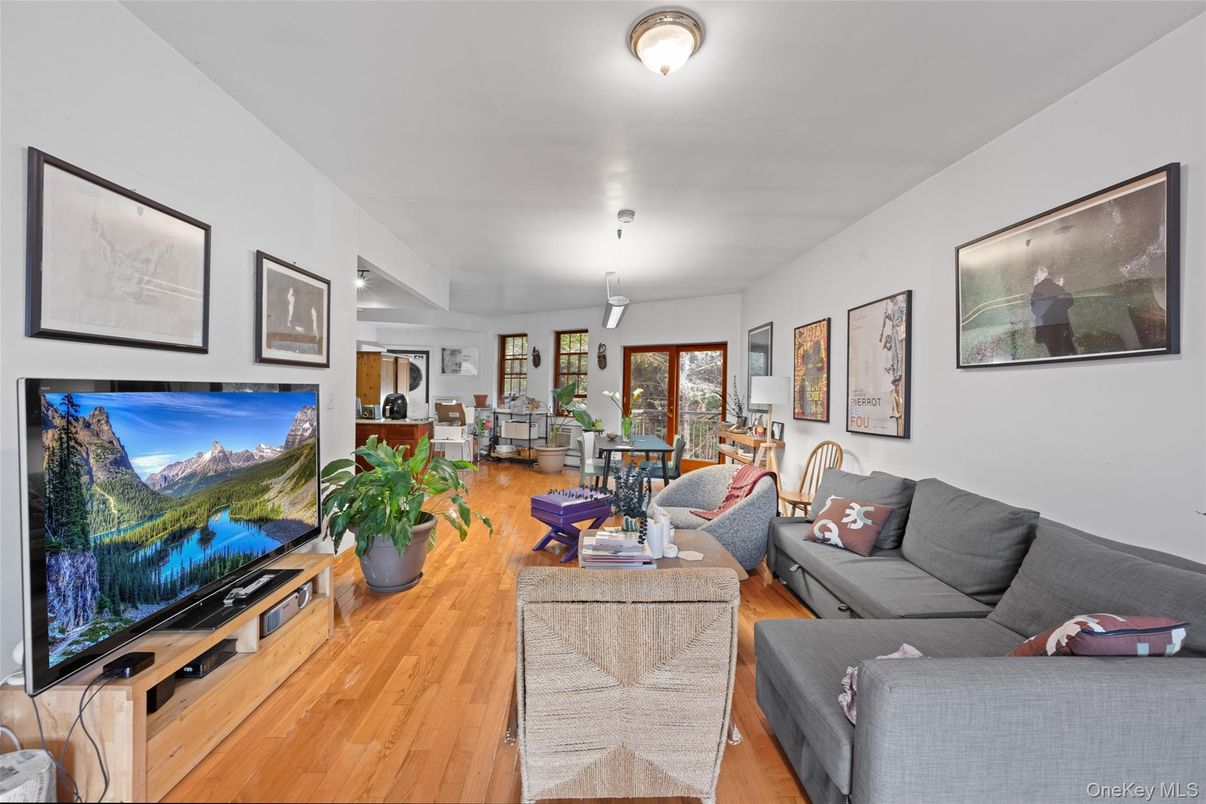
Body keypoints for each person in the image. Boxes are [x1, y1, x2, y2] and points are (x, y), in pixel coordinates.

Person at [1030, 266, 1077, 357]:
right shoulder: (1054, 287)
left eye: (1036, 274)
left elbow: (1036, 310)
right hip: (1061, 329)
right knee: (1068, 355)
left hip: (1050, 329)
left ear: (1044, 273)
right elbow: (1068, 302)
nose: (1035, 277)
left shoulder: (1040, 287)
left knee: (1057, 356)